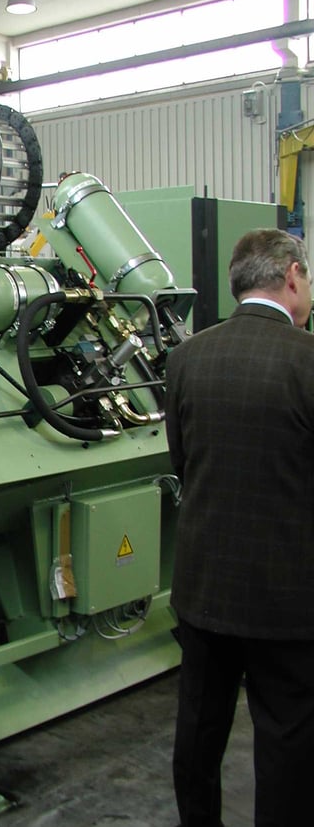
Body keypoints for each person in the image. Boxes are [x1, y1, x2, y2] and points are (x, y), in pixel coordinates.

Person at [165, 228, 314, 827]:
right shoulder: (307, 361)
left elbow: (183, 463)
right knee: (286, 743)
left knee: (198, 735)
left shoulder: (186, 357)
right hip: (288, 599)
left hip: (204, 589)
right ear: (293, 275)